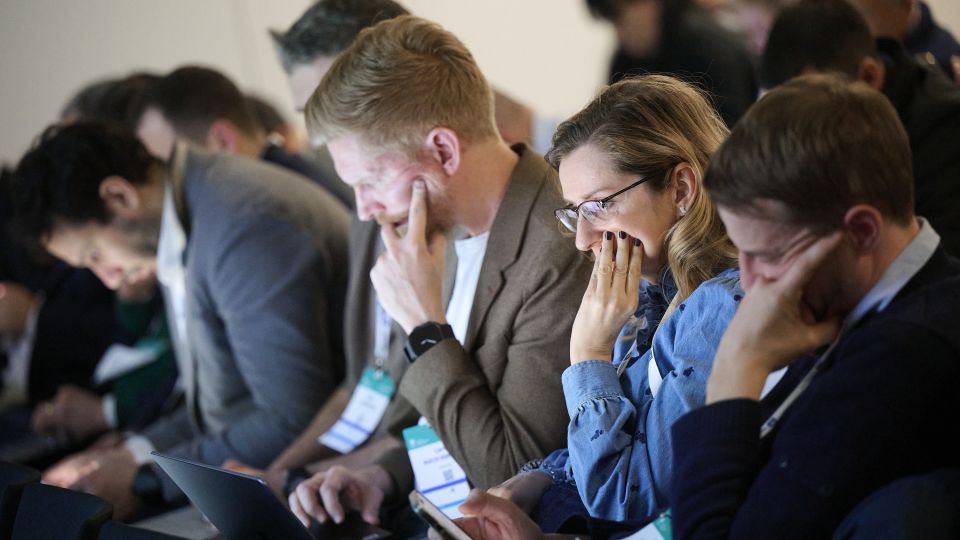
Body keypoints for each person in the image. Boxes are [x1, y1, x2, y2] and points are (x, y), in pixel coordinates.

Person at [287, 15, 591, 528]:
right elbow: (437, 426)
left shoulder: (559, 244)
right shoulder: (437, 229)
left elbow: (513, 471)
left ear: (444, 151)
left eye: (371, 181)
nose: (363, 210)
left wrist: (425, 329)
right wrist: (378, 479)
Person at [669, 73, 960, 538]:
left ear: (862, 231)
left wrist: (735, 371)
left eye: (768, 255)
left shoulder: (902, 356)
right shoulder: (862, 308)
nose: (748, 281)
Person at [10, 120, 351, 518]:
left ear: (119, 196)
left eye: (94, 255)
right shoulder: (189, 209)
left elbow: (293, 418)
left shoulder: (241, 228)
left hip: (331, 474)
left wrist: (146, 477)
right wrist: (129, 454)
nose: (108, 278)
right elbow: (219, 404)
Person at [488, 75, 745, 528]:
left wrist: (589, 355)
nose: (584, 240)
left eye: (598, 206)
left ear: (681, 190)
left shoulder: (722, 309)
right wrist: (543, 478)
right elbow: (631, 437)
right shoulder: (657, 293)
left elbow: (623, 495)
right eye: (574, 213)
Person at [760, 0, 960, 256]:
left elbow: (942, 261)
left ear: (868, 77)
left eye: (813, 109)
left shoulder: (946, 129)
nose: (799, 128)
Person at [135, 65, 353, 208]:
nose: (166, 186)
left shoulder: (272, 206)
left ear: (223, 141)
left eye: (168, 167)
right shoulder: (287, 175)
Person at [585, 0, 758, 126]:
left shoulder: (710, 47)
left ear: (648, 4)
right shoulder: (624, 60)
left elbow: (730, 129)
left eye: (623, 20)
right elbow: (609, 123)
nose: (620, 34)